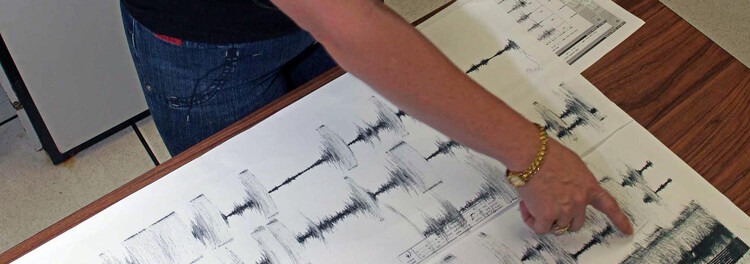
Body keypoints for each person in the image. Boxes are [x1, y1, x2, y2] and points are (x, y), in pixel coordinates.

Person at [120, 0, 633, 237]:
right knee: (255, 208)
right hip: (205, 45)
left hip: (325, 18)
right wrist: (534, 157)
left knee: (355, 166)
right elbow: (348, 24)